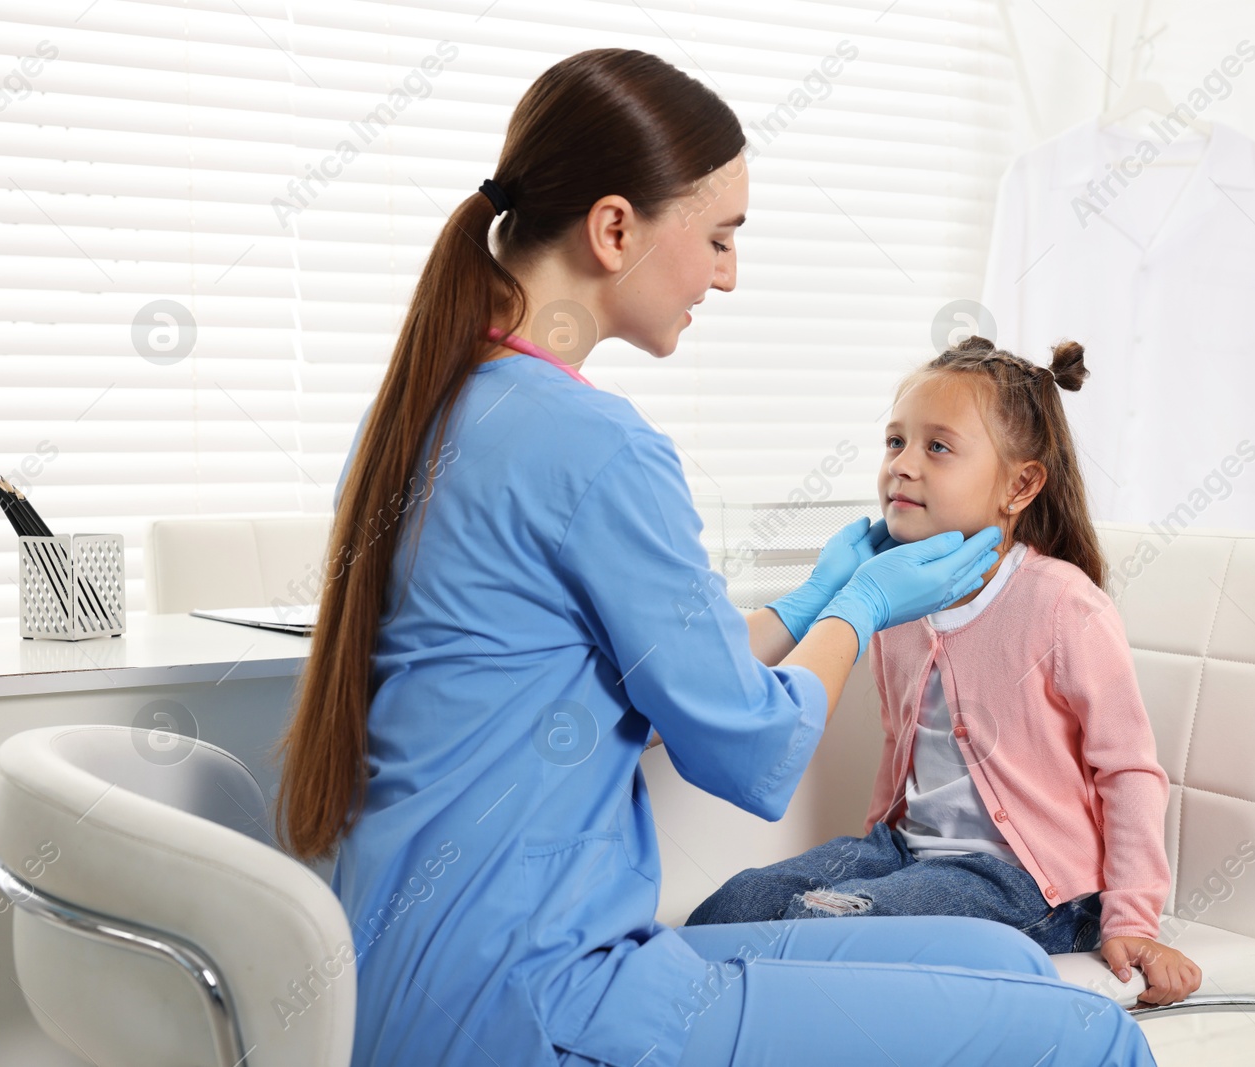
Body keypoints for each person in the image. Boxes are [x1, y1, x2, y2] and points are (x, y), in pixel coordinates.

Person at [273, 48, 1160, 1067]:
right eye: (720, 238)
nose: (728, 274)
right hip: (539, 1000)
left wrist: (808, 598)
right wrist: (859, 604)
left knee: (1000, 957)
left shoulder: (420, 416)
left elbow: (653, 673)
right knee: (1089, 1035)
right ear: (616, 228)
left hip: (410, 982)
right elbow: (747, 747)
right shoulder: (596, 444)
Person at [688, 335, 1204, 1007]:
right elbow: (901, 752)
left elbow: (1129, 770)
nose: (903, 465)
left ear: (1019, 484)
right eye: (895, 441)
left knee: (816, 930)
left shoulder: (1061, 604)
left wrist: (1133, 919)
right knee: (728, 910)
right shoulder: (900, 600)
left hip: (1026, 881)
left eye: (937, 447)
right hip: (904, 851)